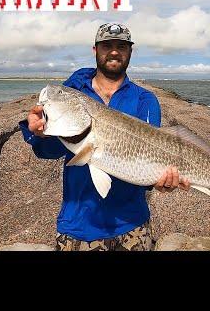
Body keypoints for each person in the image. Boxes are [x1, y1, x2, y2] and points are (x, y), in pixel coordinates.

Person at [19, 22, 191, 251]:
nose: (113, 51)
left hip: (133, 225)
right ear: (95, 50)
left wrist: (161, 182)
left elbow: (150, 160)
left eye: (121, 46)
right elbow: (46, 151)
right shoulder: (75, 93)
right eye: (106, 45)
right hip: (78, 225)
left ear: (130, 51)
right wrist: (40, 133)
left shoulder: (145, 100)